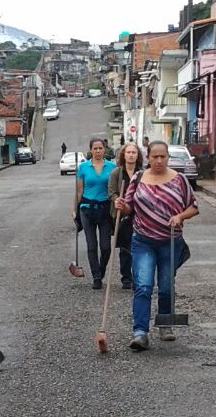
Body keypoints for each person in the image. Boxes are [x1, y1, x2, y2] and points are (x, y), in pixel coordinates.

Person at [115, 141, 199, 350]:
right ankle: (140, 332)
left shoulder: (179, 180)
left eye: (163, 156)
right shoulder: (138, 178)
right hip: (143, 240)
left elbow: (194, 207)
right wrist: (122, 206)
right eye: (155, 157)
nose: (159, 161)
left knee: (166, 286)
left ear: (168, 157)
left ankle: (165, 324)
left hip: (170, 242)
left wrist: (180, 216)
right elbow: (128, 208)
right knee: (143, 285)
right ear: (149, 157)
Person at [74, 137, 116, 289]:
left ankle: (102, 268)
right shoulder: (84, 167)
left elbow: (115, 189)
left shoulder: (112, 167)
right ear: (90, 150)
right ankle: (96, 276)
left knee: (106, 247)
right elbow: (79, 190)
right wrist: (74, 209)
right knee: (92, 245)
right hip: (86, 208)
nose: (98, 151)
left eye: (101, 148)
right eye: (95, 148)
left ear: (104, 149)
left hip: (105, 209)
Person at [108, 142, 143, 290]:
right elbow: (111, 191)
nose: (131, 155)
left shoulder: (142, 173)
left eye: (134, 152)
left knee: (139, 245)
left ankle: (138, 277)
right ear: (124, 155)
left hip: (139, 213)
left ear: (138, 155)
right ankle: (126, 278)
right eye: (128, 152)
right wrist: (117, 200)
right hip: (122, 213)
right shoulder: (117, 172)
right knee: (125, 246)